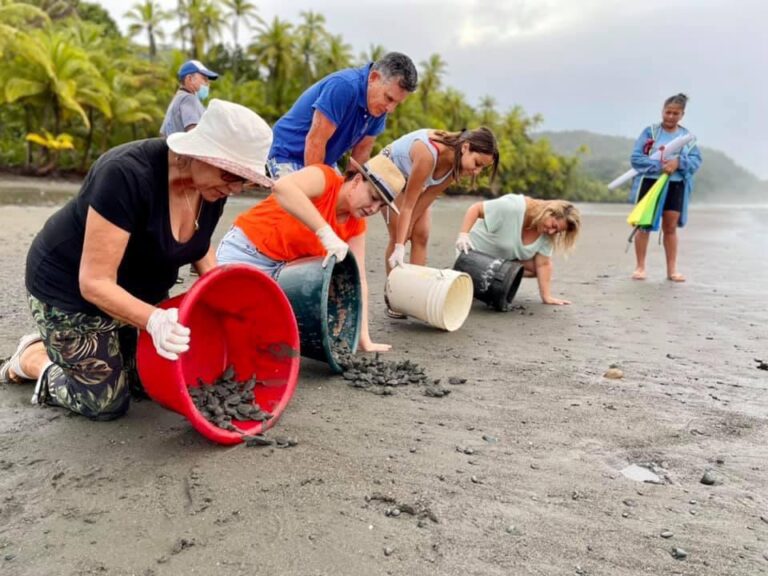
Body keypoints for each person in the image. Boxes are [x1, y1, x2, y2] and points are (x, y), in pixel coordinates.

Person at [0, 99, 274, 420]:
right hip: (72, 292)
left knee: (149, 382)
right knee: (104, 402)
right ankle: (33, 358)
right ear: (201, 153)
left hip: (138, 292)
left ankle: (105, 345)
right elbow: (94, 282)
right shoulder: (126, 174)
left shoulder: (213, 188)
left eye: (246, 180)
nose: (237, 188)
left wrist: (225, 301)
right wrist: (153, 320)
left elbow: (198, 247)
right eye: (231, 174)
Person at [217, 155, 406, 352]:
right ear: (357, 180)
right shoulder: (325, 179)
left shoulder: (355, 224)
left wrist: (363, 338)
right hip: (248, 251)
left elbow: (359, 280)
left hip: (284, 274)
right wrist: (325, 233)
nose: (374, 208)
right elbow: (282, 187)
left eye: (381, 205)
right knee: (229, 329)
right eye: (373, 198)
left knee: (265, 342)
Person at [381, 127, 499, 317]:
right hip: (388, 174)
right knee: (398, 235)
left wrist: (411, 226)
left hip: (414, 181)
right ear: (465, 147)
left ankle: (413, 294)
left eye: (482, 168)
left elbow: (427, 196)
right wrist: (400, 244)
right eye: (477, 163)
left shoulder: (455, 166)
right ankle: (393, 295)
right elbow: (408, 206)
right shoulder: (428, 154)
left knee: (421, 235)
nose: (476, 171)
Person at [266, 52, 418, 179]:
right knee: (305, 203)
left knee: (342, 202)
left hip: (324, 161)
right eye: (389, 98)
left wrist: (349, 191)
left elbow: (361, 152)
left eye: (397, 103)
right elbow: (315, 142)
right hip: (287, 153)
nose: (390, 109)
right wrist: (317, 192)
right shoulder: (343, 87)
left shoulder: (379, 107)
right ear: (373, 78)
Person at [629, 93, 702, 282]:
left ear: (682, 115)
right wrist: (659, 166)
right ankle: (640, 267)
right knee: (643, 225)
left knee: (670, 227)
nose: (670, 116)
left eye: (675, 113)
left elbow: (696, 161)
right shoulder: (650, 133)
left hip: (676, 185)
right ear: (662, 111)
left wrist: (678, 162)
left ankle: (672, 270)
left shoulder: (687, 138)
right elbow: (636, 158)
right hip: (650, 183)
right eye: (668, 112)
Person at [455, 195, 581, 305]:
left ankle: (491, 279)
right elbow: (476, 208)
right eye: (553, 225)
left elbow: (543, 264)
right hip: (470, 254)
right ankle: (473, 280)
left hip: (496, 263)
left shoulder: (547, 235)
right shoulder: (513, 207)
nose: (551, 232)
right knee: (466, 293)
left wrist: (547, 297)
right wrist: (463, 234)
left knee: (536, 268)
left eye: (557, 231)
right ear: (549, 212)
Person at [160, 59, 219, 137]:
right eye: (204, 79)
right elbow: (193, 133)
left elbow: (163, 134)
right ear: (190, 79)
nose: (208, 84)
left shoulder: (177, 98)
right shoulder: (189, 99)